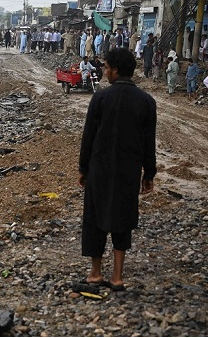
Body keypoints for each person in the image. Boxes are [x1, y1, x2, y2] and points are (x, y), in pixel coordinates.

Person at [78, 48, 157, 291]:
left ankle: (95, 273)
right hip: (128, 171)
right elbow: (148, 142)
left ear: (115, 69)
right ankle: (118, 277)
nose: (104, 71)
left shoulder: (100, 98)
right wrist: (149, 173)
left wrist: (83, 168)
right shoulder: (146, 102)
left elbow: (88, 136)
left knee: (95, 217)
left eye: (106, 67)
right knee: (122, 218)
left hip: (99, 168)